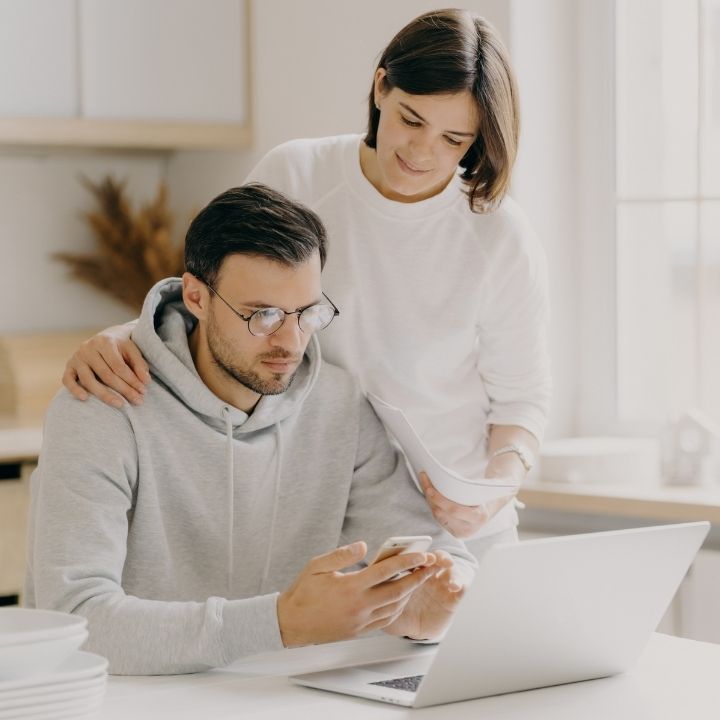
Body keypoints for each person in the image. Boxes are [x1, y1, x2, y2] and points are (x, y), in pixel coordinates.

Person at [61, 9, 551, 548]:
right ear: (381, 85)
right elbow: (222, 298)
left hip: (455, 529)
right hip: (310, 514)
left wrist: (495, 490)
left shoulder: (498, 234)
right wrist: (124, 339)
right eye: (411, 120)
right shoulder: (296, 175)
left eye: (454, 139)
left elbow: (521, 401)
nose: (421, 152)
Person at [25, 184, 475, 676]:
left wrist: (430, 612)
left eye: (307, 313)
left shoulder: (338, 403)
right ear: (195, 295)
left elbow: (437, 553)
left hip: (284, 698)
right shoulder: (103, 404)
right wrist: (279, 624)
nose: (290, 341)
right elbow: (76, 621)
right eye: (263, 315)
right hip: (132, 701)